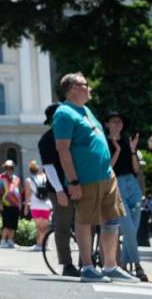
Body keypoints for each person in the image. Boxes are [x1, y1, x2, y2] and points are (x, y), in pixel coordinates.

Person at [53, 72, 138, 283]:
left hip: (106, 177)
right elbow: (63, 150)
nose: (89, 88)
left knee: (112, 220)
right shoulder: (63, 113)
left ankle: (110, 266)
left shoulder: (86, 110)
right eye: (85, 85)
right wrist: (73, 182)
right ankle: (88, 268)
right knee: (85, 220)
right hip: (86, 179)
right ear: (74, 88)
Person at [104, 112, 146, 281]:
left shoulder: (129, 142)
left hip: (132, 185)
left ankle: (122, 263)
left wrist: (133, 151)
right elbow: (107, 168)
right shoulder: (104, 143)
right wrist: (117, 149)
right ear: (106, 124)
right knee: (128, 228)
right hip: (116, 185)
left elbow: (136, 169)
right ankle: (137, 266)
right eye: (113, 121)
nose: (117, 124)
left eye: (119, 121)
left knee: (132, 230)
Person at [38, 102, 77, 276]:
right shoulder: (47, 140)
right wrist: (60, 191)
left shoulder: (74, 135)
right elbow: (49, 168)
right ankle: (67, 264)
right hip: (58, 188)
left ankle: (87, 261)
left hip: (78, 184)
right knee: (62, 226)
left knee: (86, 223)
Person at [24, 160, 52, 252]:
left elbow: (27, 195)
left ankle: (39, 244)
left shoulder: (28, 180)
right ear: (38, 169)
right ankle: (45, 244)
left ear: (30, 170)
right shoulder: (45, 178)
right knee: (45, 226)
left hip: (35, 205)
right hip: (47, 204)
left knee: (38, 226)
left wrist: (25, 208)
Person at [0, 160, 22, 249]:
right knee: (6, 224)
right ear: (5, 168)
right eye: (7, 167)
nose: (9, 169)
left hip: (15, 204)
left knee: (13, 224)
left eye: (11, 168)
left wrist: (20, 202)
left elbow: (19, 191)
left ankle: (10, 241)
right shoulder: (1, 177)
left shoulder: (17, 178)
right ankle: (3, 242)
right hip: (6, 204)